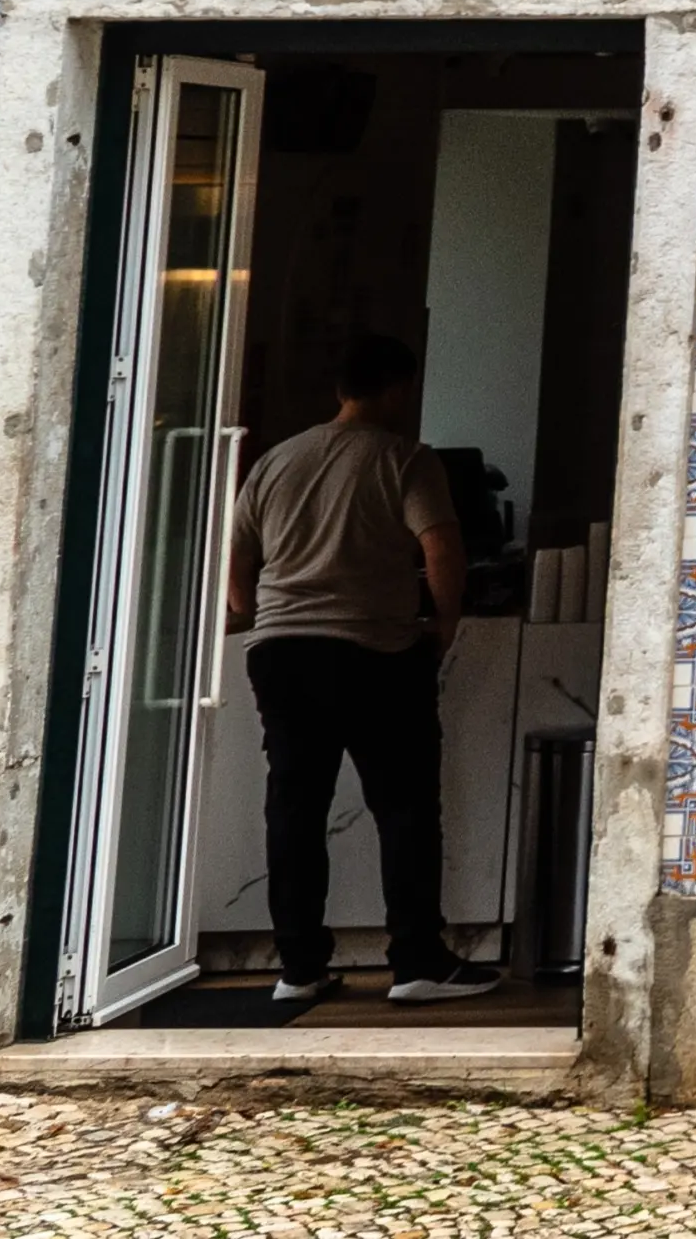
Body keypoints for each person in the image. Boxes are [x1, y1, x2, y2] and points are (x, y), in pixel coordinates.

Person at [222, 329, 486, 1008]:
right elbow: (441, 548)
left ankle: (299, 967)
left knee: (295, 808)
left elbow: (235, 568)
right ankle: (417, 961)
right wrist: (445, 620)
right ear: (398, 388)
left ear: (339, 389)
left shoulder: (277, 460)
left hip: (281, 651)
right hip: (374, 650)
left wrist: (262, 610)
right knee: (402, 806)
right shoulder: (405, 458)